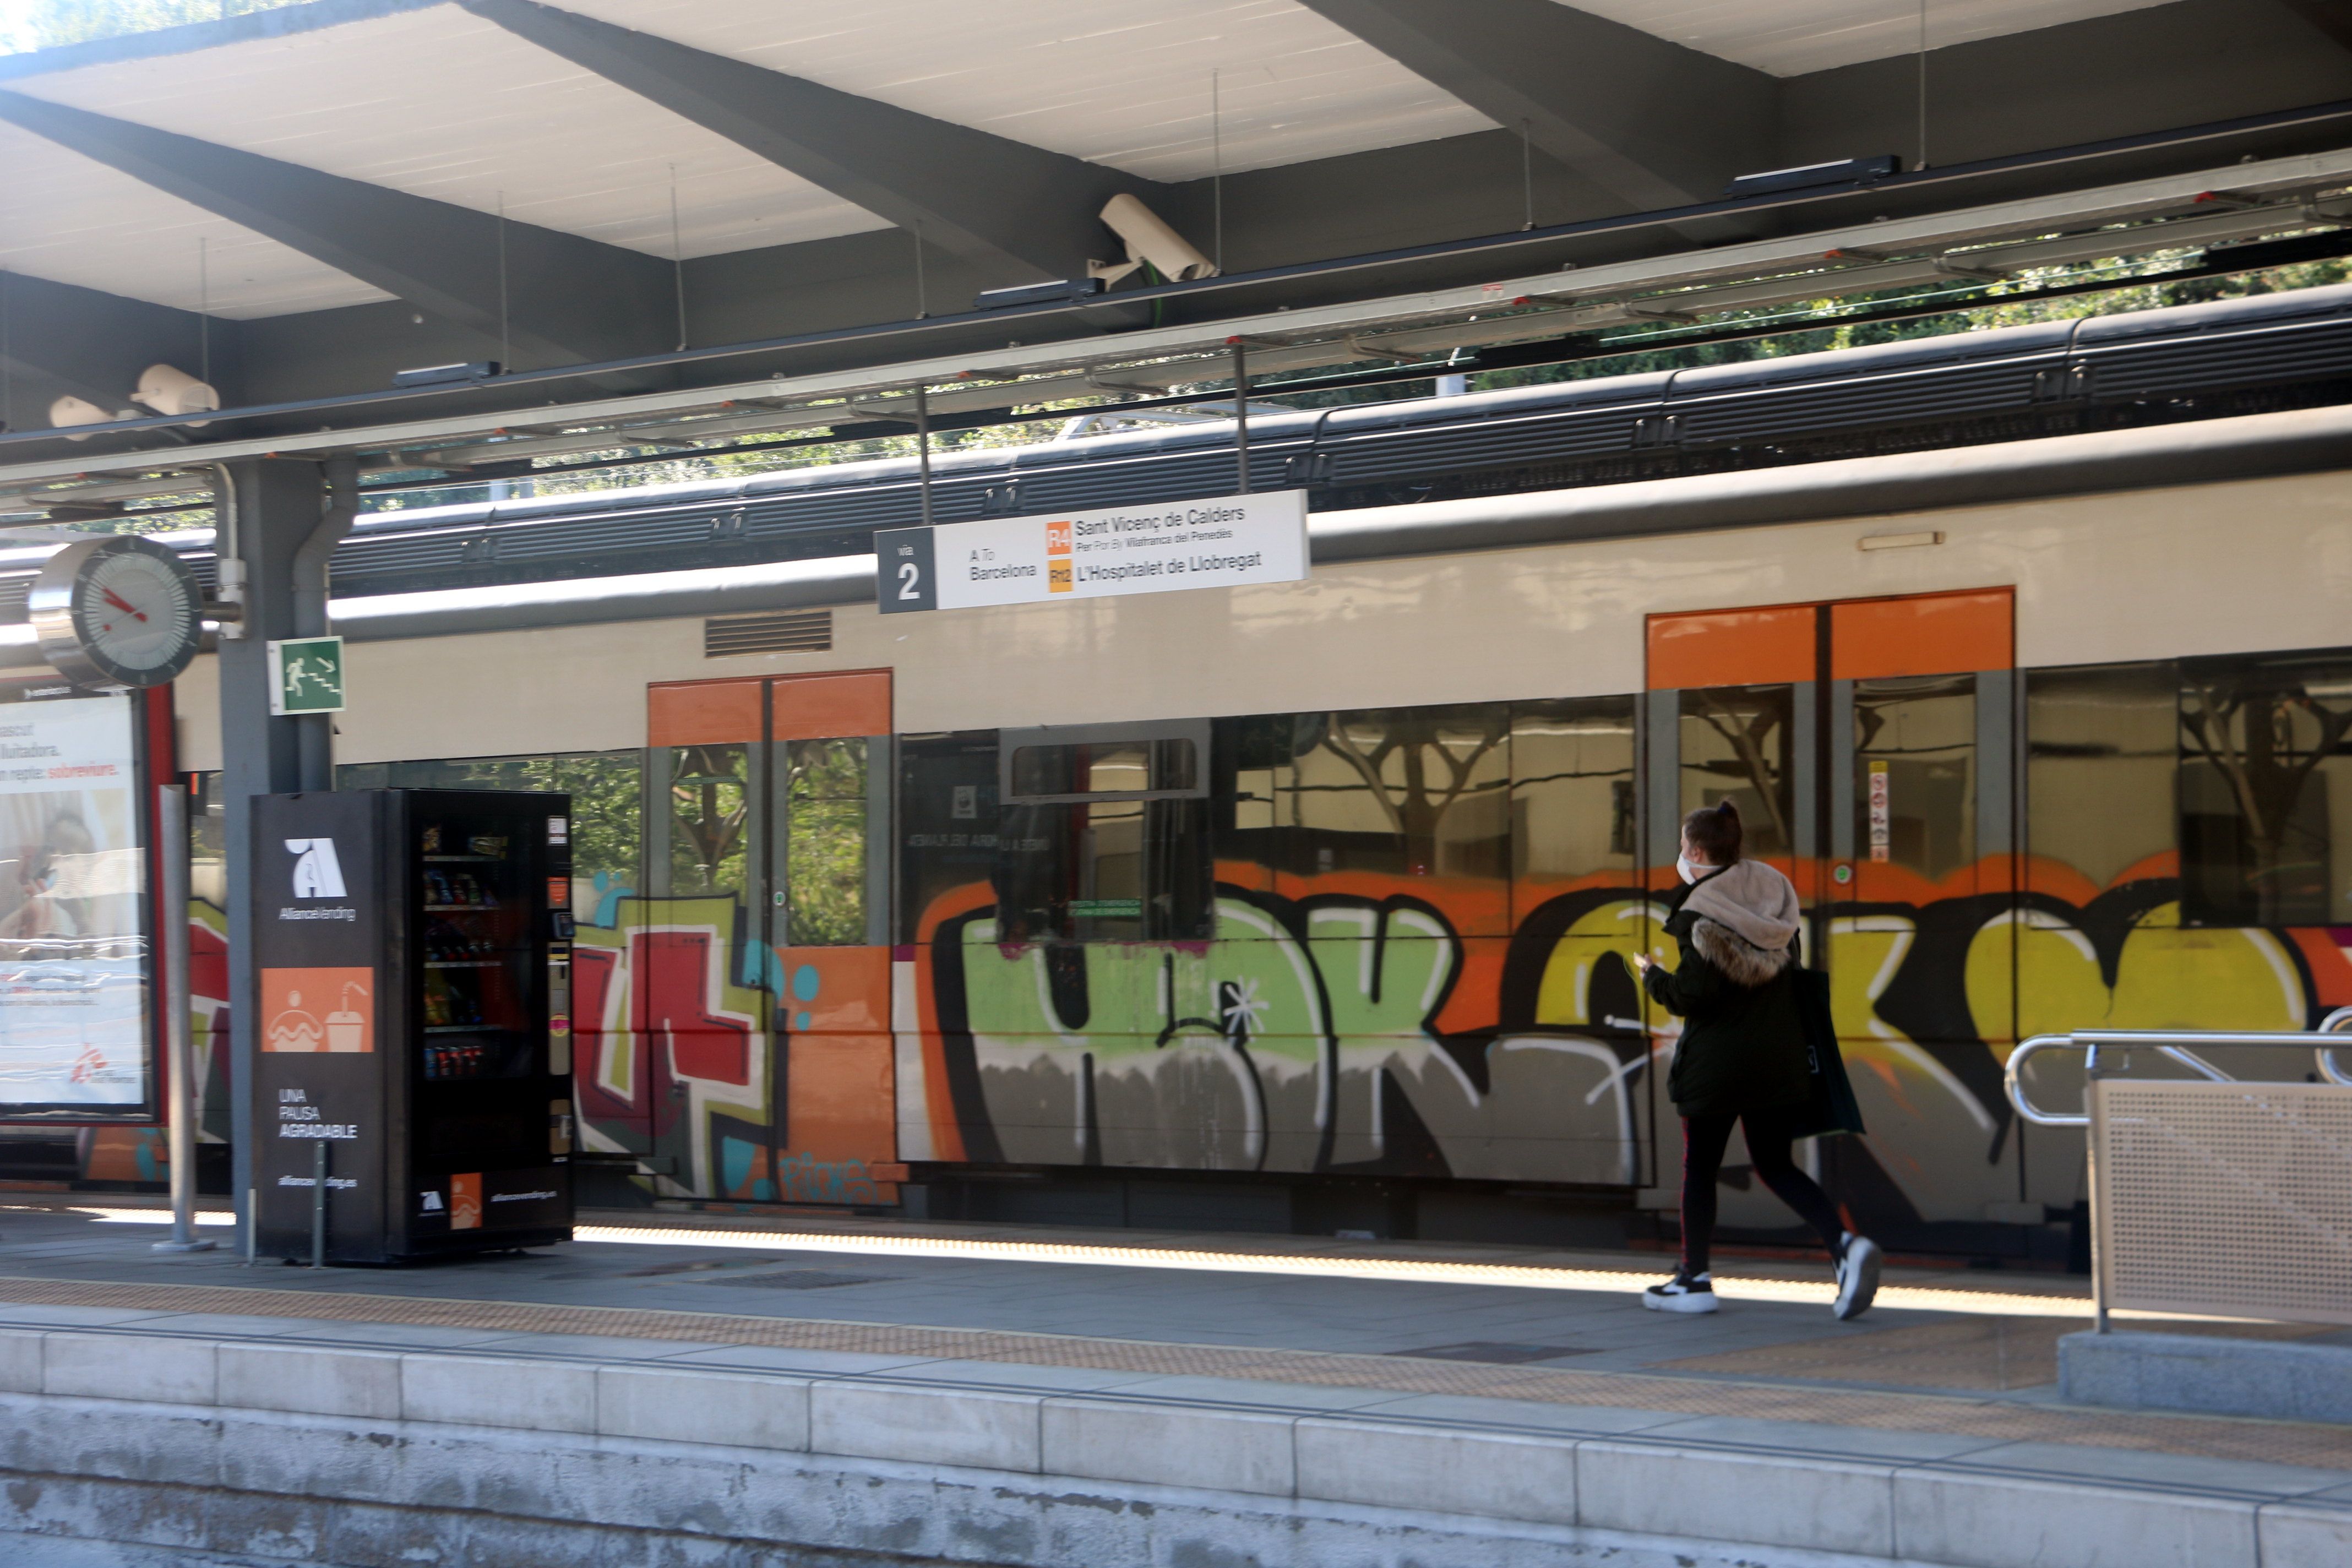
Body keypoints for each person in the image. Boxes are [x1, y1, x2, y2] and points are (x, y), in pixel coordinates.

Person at [1633, 801, 1881, 1320]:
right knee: (1775, 1164)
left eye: (1684, 847)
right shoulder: (1773, 897)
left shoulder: (1701, 914)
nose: (1681, 855)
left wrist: (1652, 975)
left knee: (1700, 1167)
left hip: (1719, 1068)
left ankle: (1693, 1280)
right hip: (1778, 1060)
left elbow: (1694, 998)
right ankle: (1844, 1244)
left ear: (1698, 851)